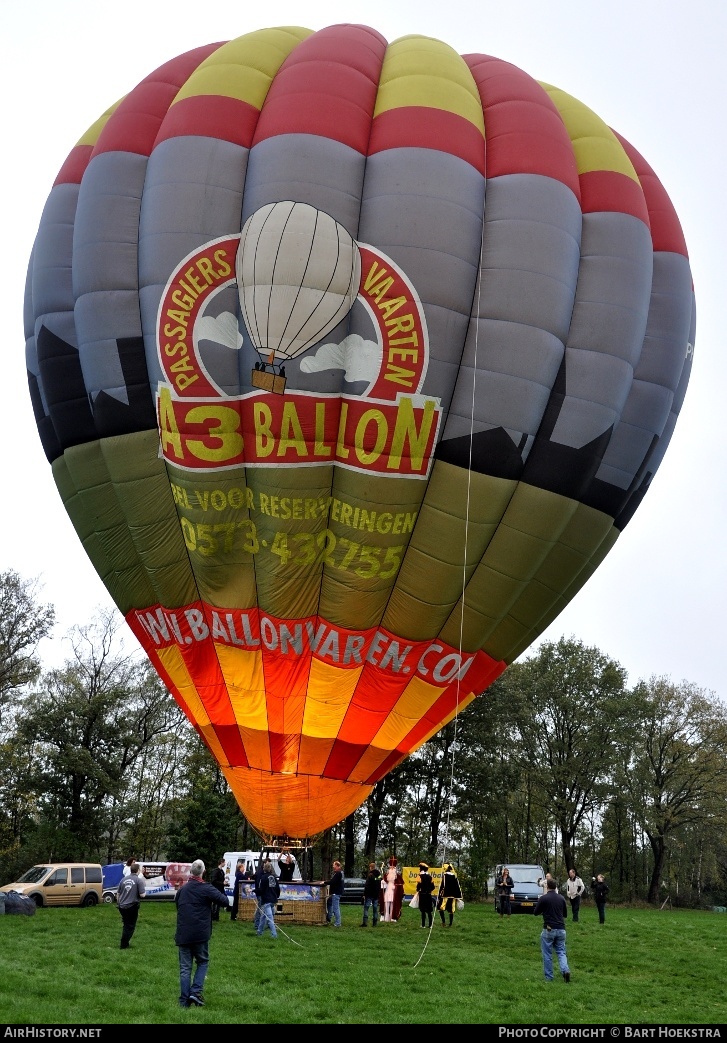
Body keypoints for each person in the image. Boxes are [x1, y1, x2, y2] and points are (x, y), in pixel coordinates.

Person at [174, 858, 229, 1008]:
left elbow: (178, 905)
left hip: (183, 933)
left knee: (185, 968)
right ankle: (195, 991)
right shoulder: (206, 888)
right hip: (200, 933)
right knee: (202, 962)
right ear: (203, 872)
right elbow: (225, 901)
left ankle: (184, 1002)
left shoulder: (183, 890)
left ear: (191, 872)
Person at [533, 877, 570, 983]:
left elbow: (535, 912)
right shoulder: (561, 898)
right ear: (556, 887)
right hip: (561, 929)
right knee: (561, 952)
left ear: (547, 886)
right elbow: (565, 914)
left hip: (549, 928)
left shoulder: (544, 898)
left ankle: (549, 977)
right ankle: (565, 970)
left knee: (547, 954)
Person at [117, 862, 146, 949]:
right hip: (132, 906)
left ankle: (125, 943)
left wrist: (119, 903)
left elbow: (118, 893)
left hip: (122, 906)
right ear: (137, 871)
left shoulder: (123, 879)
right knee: (130, 926)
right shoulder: (138, 880)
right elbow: (142, 895)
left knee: (126, 924)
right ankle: (124, 944)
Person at [256, 860, 280, 938]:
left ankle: (274, 934)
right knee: (263, 916)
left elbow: (261, 890)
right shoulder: (274, 877)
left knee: (270, 918)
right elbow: (278, 888)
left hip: (267, 900)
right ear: (270, 869)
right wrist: (277, 896)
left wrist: (253, 890)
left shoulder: (263, 878)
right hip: (273, 900)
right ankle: (259, 932)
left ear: (264, 869)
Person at [437, 862, 463, 927]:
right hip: (452, 896)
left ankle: (443, 922)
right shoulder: (454, 876)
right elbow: (457, 886)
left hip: (445, 895)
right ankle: (450, 924)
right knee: (451, 910)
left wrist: (439, 894)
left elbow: (442, 886)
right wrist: (457, 896)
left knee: (440, 908)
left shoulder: (445, 876)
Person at [380, 856, 404, 923]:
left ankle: (392, 917)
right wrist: (383, 882)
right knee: (386, 903)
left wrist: (396, 887)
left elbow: (400, 885)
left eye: (393, 867)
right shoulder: (387, 874)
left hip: (394, 891)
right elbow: (384, 881)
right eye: (391, 867)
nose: (392, 868)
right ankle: (386, 917)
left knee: (393, 904)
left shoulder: (397, 876)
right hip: (388, 890)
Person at [416, 861, 436, 929]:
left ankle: (423, 925)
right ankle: (430, 925)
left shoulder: (419, 876)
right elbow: (433, 887)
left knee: (423, 910)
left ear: (421, 869)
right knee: (429, 910)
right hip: (428, 895)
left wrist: (419, 890)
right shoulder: (430, 877)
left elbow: (418, 887)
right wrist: (429, 891)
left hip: (422, 895)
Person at [324, 860, 344, 927]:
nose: (333, 867)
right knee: (329, 902)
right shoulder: (340, 873)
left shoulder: (338, 873)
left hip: (336, 892)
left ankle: (338, 923)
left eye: (334, 865)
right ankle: (329, 917)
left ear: (338, 866)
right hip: (336, 892)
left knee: (336, 908)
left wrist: (325, 882)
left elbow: (333, 882)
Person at [361, 862, 381, 927]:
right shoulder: (379, 874)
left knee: (366, 908)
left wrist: (364, 894)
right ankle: (374, 923)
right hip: (376, 894)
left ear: (370, 867)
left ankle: (365, 923)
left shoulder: (370, 875)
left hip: (369, 894)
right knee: (375, 909)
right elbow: (379, 882)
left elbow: (367, 885)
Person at [210, 857, 226, 921]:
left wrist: (224, 883)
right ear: (221, 862)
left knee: (218, 903)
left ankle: (216, 915)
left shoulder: (222, 871)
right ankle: (213, 916)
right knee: (215, 903)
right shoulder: (216, 871)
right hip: (216, 888)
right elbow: (213, 881)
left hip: (220, 889)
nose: (225, 864)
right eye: (224, 862)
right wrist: (222, 883)